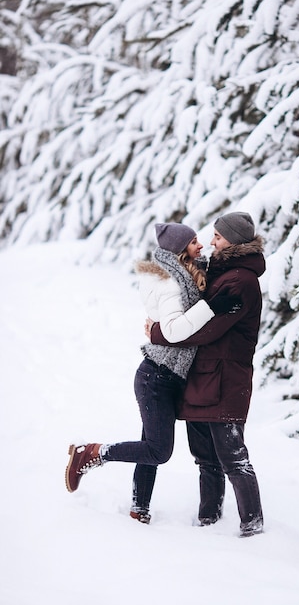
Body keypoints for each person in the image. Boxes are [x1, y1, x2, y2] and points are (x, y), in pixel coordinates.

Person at [65, 222, 241, 524]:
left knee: (149, 444)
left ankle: (139, 506)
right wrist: (212, 306)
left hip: (170, 377)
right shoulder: (171, 283)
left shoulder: (187, 275)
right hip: (156, 377)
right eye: (194, 242)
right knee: (158, 450)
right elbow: (173, 331)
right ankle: (92, 453)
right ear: (179, 250)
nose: (200, 246)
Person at [149, 212, 265, 537]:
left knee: (232, 456)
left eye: (218, 236)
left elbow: (206, 330)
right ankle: (208, 520)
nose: (211, 241)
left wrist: (158, 333)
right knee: (206, 459)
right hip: (204, 378)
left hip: (226, 379)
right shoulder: (221, 272)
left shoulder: (240, 282)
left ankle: (253, 525)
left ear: (235, 241)